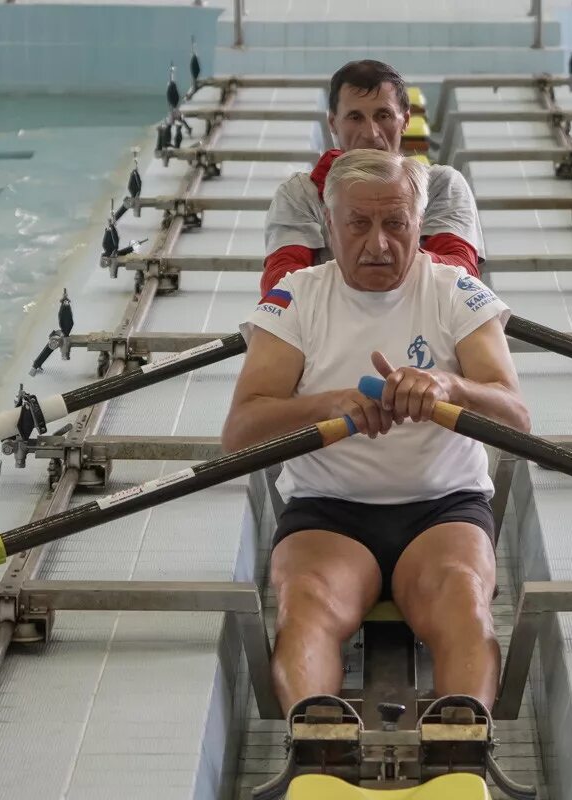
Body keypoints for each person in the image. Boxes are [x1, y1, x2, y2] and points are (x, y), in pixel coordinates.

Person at [222, 148, 529, 712]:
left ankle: (463, 735)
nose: (379, 244)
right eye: (358, 225)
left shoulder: (456, 292)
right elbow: (240, 432)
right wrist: (330, 405)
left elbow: (516, 417)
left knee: (463, 601)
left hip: (444, 506)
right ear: (328, 225)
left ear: (419, 223)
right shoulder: (294, 299)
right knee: (307, 604)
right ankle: (315, 736)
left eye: (396, 224)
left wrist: (448, 387)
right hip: (328, 510)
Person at [261, 59, 485, 295]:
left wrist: (357, 263)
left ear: (405, 120)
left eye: (383, 115)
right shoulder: (300, 193)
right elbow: (280, 288)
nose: (370, 133)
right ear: (333, 123)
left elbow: (463, 280)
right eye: (355, 117)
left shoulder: (441, 185)